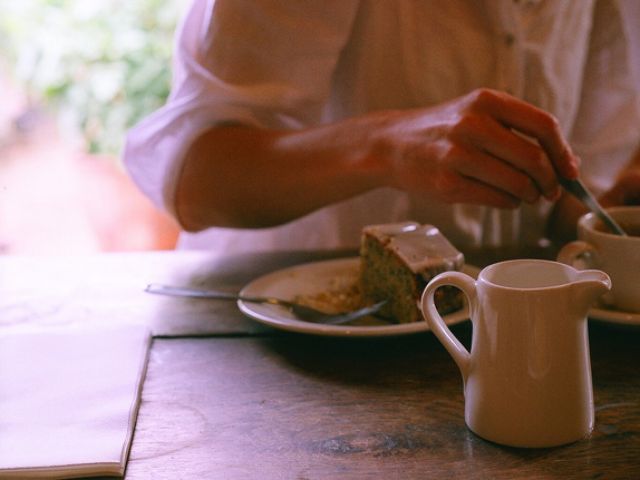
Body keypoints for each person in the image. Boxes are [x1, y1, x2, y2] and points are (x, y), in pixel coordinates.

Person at [124, 0, 640, 255]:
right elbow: (196, 179)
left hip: (490, 340)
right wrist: (387, 147)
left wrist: (607, 216)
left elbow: (568, 192)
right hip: (280, 349)